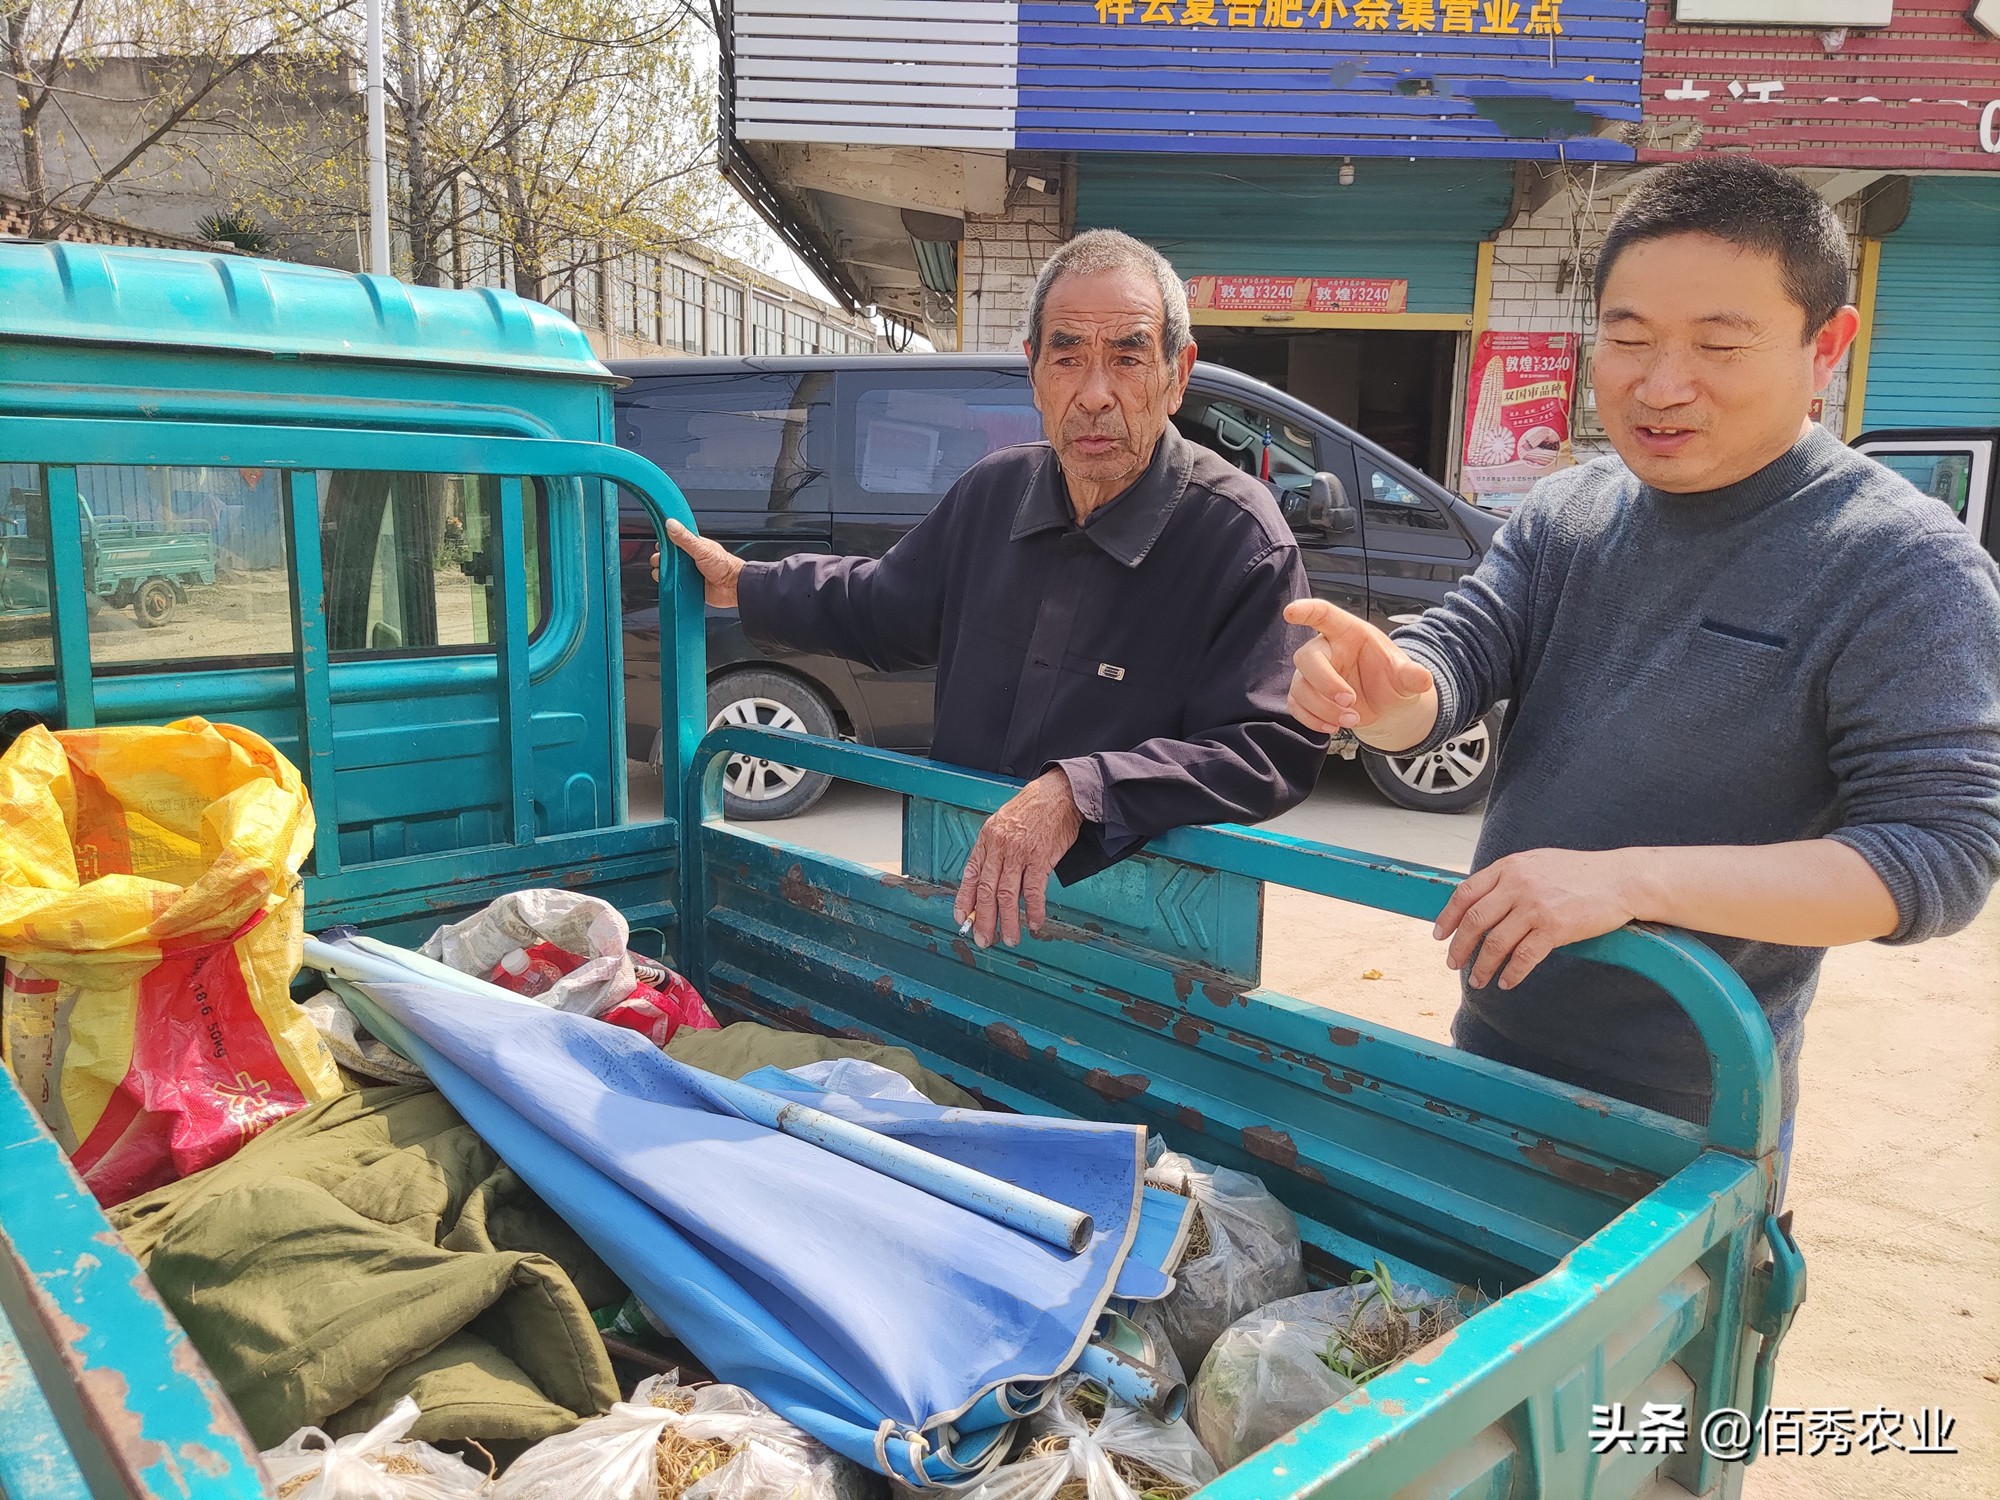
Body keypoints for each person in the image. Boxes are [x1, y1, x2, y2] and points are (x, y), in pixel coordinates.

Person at [1285, 157, 2000, 1149]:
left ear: (1824, 346)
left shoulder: (1899, 567)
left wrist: (1630, 881)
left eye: (1717, 343)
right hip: (1490, 1046)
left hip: (1691, 1113)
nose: (1660, 386)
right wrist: (1389, 691)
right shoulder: (1571, 509)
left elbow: (1940, 854)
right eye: (1626, 338)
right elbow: (1450, 666)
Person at [663, 229, 1326, 949]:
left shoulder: (1238, 537)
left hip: (1139, 919)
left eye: (1127, 357)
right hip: (965, 879)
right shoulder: (996, 490)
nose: (1095, 394)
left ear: (1178, 373)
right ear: (1034, 371)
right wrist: (748, 586)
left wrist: (1081, 791)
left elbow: (1269, 747)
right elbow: (888, 607)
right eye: (1068, 356)